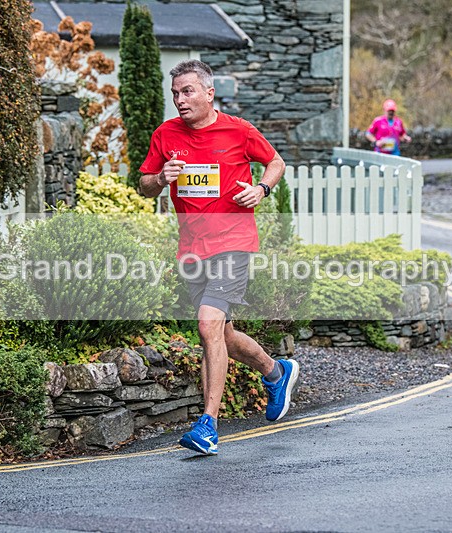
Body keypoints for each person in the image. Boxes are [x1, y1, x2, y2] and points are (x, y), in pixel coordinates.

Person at [139, 60, 300, 455]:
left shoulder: (238, 129)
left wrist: (261, 190)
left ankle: (208, 424)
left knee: (207, 325)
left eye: (188, 91)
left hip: (234, 242)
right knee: (222, 334)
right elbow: (144, 185)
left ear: (209, 93)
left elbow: (276, 161)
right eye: (175, 93)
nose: (180, 99)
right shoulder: (166, 134)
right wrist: (161, 179)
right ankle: (276, 372)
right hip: (192, 248)